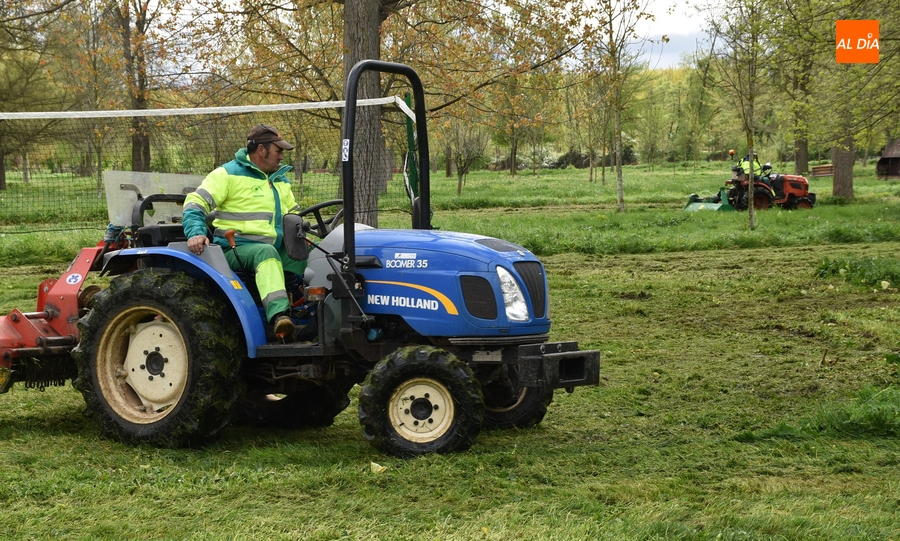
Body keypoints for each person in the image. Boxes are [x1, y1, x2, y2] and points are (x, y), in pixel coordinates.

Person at [182, 124, 304, 340]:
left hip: (277, 246)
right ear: (262, 150)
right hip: (235, 248)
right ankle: (280, 317)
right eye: (278, 151)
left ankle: (316, 315)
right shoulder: (227, 174)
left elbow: (294, 215)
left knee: (316, 256)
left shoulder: (280, 180)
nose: (282, 156)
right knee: (265, 253)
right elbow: (195, 202)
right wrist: (196, 232)